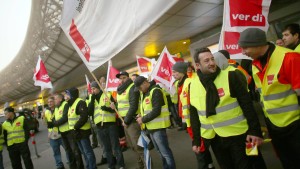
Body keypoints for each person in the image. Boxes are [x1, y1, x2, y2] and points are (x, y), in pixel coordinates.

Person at [190, 47, 263, 169]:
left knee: (250, 164)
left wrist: (255, 131)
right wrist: (196, 141)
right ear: (198, 65)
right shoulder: (193, 85)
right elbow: (194, 114)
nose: (212, 63)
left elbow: (247, 105)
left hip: (240, 134)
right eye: (207, 61)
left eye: (212, 59)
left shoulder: (231, 75)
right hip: (214, 138)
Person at [239, 28, 300, 169]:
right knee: (287, 162)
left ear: (258, 44)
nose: (243, 52)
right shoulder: (255, 65)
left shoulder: (289, 57)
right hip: (274, 125)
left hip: (295, 125)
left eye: (245, 47)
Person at [134, 76, 176, 169]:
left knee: (165, 152)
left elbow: (156, 111)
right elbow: (148, 110)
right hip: (151, 127)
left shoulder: (156, 91)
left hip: (159, 127)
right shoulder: (145, 93)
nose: (139, 90)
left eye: (140, 87)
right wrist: (141, 116)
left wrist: (143, 119)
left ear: (145, 83)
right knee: (160, 152)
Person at [88, 81, 125, 169]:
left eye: (94, 88)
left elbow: (115, 108)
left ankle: (121, 165)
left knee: (115, 146)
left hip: (110, 124)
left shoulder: (107, 94)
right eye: (91, 89)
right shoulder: (91, 98)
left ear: (98, 88)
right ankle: (111, 165)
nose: (92, 91)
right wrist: (92, 100)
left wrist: (108, 108)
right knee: (107, 148)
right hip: (99, 127)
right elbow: (89, 112)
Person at [114, 71, 145, 169]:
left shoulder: (132, 87)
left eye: (124, 77)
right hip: (125, 122)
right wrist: (114, 105)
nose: (121, 80)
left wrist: (126, 121)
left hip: (132, 121)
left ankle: (147, 166)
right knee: (132, 146)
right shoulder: (120, 90)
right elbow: (122, 105)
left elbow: (133, 106)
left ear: (128, 77)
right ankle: (141, 166)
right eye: (120, 78)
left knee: (138, 147)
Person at [65, 87, 97, 169]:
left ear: (72, 95)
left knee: (87, 152)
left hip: (82, 131)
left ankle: (92, 167)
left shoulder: (80, 102)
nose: (65, 96)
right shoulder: (70, 104)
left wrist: (75, 127)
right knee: (83, 152)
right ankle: (88, 166)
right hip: (76, 132)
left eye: (67, 94)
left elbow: (84, 117)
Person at [49, 93, 83, 169]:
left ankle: (80, 166)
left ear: (60, 99)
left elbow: (65, 118)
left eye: (55, 99)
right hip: (63, 132)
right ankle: (73, 166)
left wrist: (54, 123)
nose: (54, 100)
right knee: (68, 151)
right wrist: (52, 122)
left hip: (69, 131)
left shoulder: (65, 105)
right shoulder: (57, 108)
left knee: (75, 150)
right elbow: (55, 119)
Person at [45, 97, 66, 169]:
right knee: (56, 152)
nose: (49, 103)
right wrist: (42, 118)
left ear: (54, 101)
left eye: (51, 101)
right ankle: (60, 165)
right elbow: (46, 124)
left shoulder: (58, 109)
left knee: (67, 149)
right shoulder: (46, 112)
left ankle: (70, 161)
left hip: (61, 133)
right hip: (52, 136)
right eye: (48, 102)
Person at [172, 62, 189, 131]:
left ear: (181, 71)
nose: (173, 74)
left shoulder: (188, 83)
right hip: (185, 115)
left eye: (175, 72)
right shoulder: (180, 83)